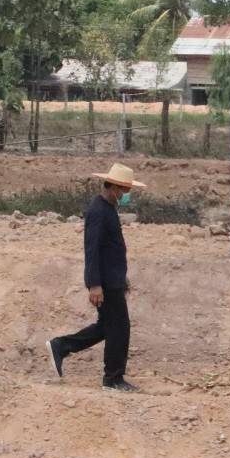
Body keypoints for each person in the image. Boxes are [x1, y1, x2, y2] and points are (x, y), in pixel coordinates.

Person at [46, 163, 145, 393]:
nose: (127, 194)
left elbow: (110, 250)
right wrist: (94, 284)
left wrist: (121, 278)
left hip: (113, 279)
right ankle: (113, 379)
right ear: (114, 187)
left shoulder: (107, 208)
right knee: (120, 328)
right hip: (106, 282)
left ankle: (60, 346)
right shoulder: (99, 211)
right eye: (125, 190)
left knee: (107, 327)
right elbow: (92, 250)